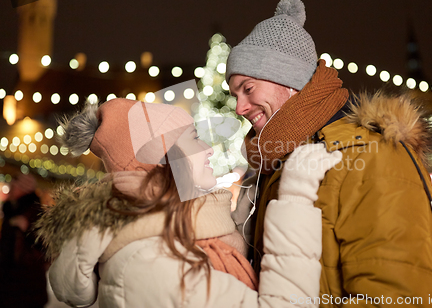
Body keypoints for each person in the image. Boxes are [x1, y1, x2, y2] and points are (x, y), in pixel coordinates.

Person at [227, 0, 432, 307]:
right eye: (235, 94)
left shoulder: (372, 155)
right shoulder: (280, 163)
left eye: (248, 89)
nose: (240, 107)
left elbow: (397, 296)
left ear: (288, 80)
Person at [36, 98, 342, 308]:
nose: (208, 148)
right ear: (164, 161)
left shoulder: (173, 239)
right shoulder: (151, 264)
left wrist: (253, 206)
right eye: (194, 138)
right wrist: (294, 198)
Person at [0, 174, 48, 308]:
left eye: (14, 187)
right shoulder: (10, 209)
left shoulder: (35, 212)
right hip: (8, 277)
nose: (10, 190)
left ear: (23, 189)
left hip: (28, 279)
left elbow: (45, 243)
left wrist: (27, 228)